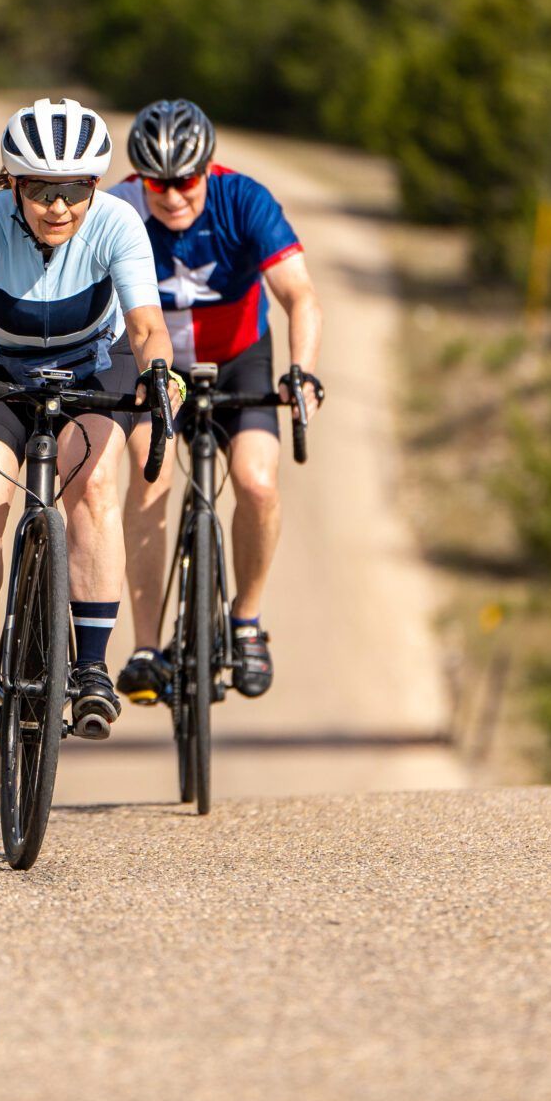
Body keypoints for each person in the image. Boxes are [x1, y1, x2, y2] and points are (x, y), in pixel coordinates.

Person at [0, 98, 179, 744]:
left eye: (73, 190)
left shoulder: (118, 221)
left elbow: (147, 324)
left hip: (94, 366)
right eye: (41, 189)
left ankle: (90, 664)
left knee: (91, 485)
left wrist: (156, 371)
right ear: (13, 182)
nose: (58, 206)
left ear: (94, 186)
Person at [111, 99, 325, 701]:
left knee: (257, 481)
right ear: (140, 178)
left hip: (239, 356)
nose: (173, 196)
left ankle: (247, 622)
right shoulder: (118, 206)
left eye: (185, 181)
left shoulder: (246, 200)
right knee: (148, 480)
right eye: (159, 182)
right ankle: (147, 648)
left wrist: (301, 372)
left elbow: (300, 295)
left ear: (208, 168)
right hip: (156, 365)